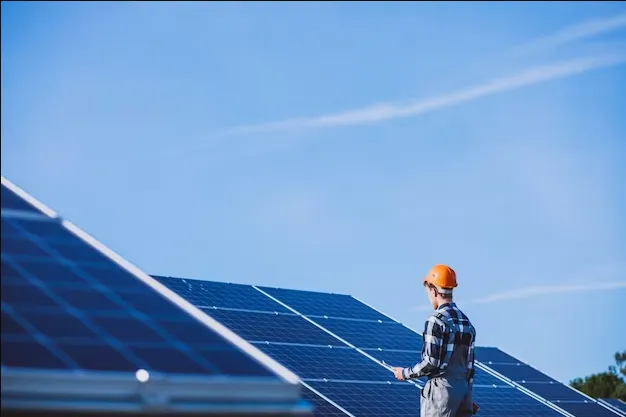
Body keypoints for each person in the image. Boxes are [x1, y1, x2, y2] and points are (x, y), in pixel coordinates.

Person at [391, 264, 477, 417]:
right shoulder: (466, 323)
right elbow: (469, 369)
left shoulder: (436, 320)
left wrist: (404, 373)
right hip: (463, 393)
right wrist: (466, 400)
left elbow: (430, 363)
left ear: (434, 290)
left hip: (441, 395)